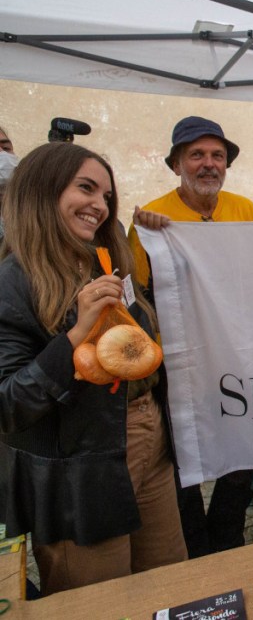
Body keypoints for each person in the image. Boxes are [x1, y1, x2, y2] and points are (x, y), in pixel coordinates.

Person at [0, 142, 186, 594]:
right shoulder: (13, 283)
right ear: (42, 191)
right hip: (79, 472)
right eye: (86, 188)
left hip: (149, 441)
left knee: (169, 582)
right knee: (99, 597)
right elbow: (8, 404)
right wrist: (75, 334)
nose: (100, 206)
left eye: (106, 196)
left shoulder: (103, 262)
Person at [128, 116, 253, 559]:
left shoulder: (245, 210)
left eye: (217, 156)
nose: (209, 164)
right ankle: (192, 548)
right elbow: (138, 300)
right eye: (197, 155)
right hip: (178, 362)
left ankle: (228, 540)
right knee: (181, 455)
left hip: (234, 354)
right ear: (176, 164)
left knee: (241, 450)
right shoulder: (150, 218)